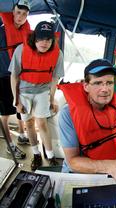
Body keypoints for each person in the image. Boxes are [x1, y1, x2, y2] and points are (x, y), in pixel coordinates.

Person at [58, 59, 116, 182]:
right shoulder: (68, 114)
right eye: (98, 83)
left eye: (109, 83)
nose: (105, 89)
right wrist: (109, 166)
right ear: (86, 86)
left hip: (110, 171)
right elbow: (72, 161)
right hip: (78, 174)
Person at [9, 21, 64, 171]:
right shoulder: (21, 50)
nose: (44, 43)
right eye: (41, 38)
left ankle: (51, 156)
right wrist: (16, 100)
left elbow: (54, 78)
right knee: (29, 124)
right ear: (34, 38)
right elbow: (14, 76)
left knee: (42, 123)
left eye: (48, 39)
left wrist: (52, 99)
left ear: (53, 40)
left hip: (42, 91)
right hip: (24, 92)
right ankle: (36, 154)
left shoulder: (57, 54)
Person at [0, 0, 31, 159]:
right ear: (13, 12)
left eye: (24, 14)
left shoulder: (26, 31)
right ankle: (10, 146)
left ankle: (21, 134)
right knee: (5, 113)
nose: (21, 16)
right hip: (2, 76)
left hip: (18, 75)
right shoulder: (2, 30)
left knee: (20, 106)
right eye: (18, 12)